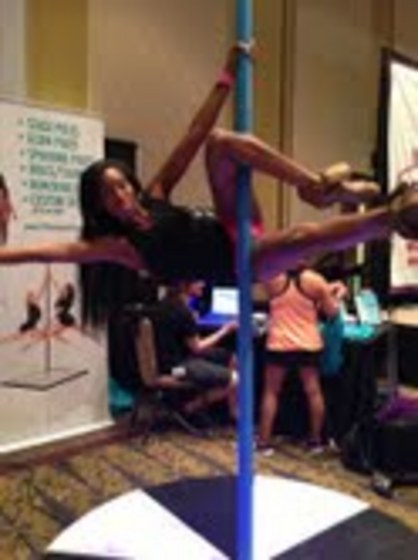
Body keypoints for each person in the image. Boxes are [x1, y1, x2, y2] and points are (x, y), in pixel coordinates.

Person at [0, 43, 416, 330]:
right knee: (303, 236)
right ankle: (392, 217)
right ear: (101, 207)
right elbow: (50, 250)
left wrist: (227, 74)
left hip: (232, 223)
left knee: (218, 142)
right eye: (111, 195)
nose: (123, 196)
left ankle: (315, 187)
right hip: (239, 263)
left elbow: (194, 133)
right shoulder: (120, 246)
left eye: (123, 185)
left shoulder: (155, 193)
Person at [256, 265, 347, 456]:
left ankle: (263, 442)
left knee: (271, 392)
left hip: (279, 343)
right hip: (308, 344)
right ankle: (315, 442)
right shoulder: (315, 280)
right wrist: (335, 295)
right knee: (313, 392)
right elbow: (331, 312)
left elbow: (284, 299)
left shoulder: (271, 277)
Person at [151, 280, 238, 422]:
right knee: (235, 380)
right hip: (175, 369)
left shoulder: (166, 304)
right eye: (198, 281)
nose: (203, 284)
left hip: (167, 361)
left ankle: (233, 414)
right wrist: (225, 330)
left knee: (231, 358)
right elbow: (197, 347)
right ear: (184, 285)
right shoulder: (182, 311)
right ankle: (188, 409)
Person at [0, 174, 16, 245]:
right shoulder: (5, 189)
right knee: (2, 227)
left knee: (4, 227)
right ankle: (3, 243)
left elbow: (8, 201)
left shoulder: (5, 189)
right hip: (3, 209)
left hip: (4, 209)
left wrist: (14, 212)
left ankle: (4, 243)